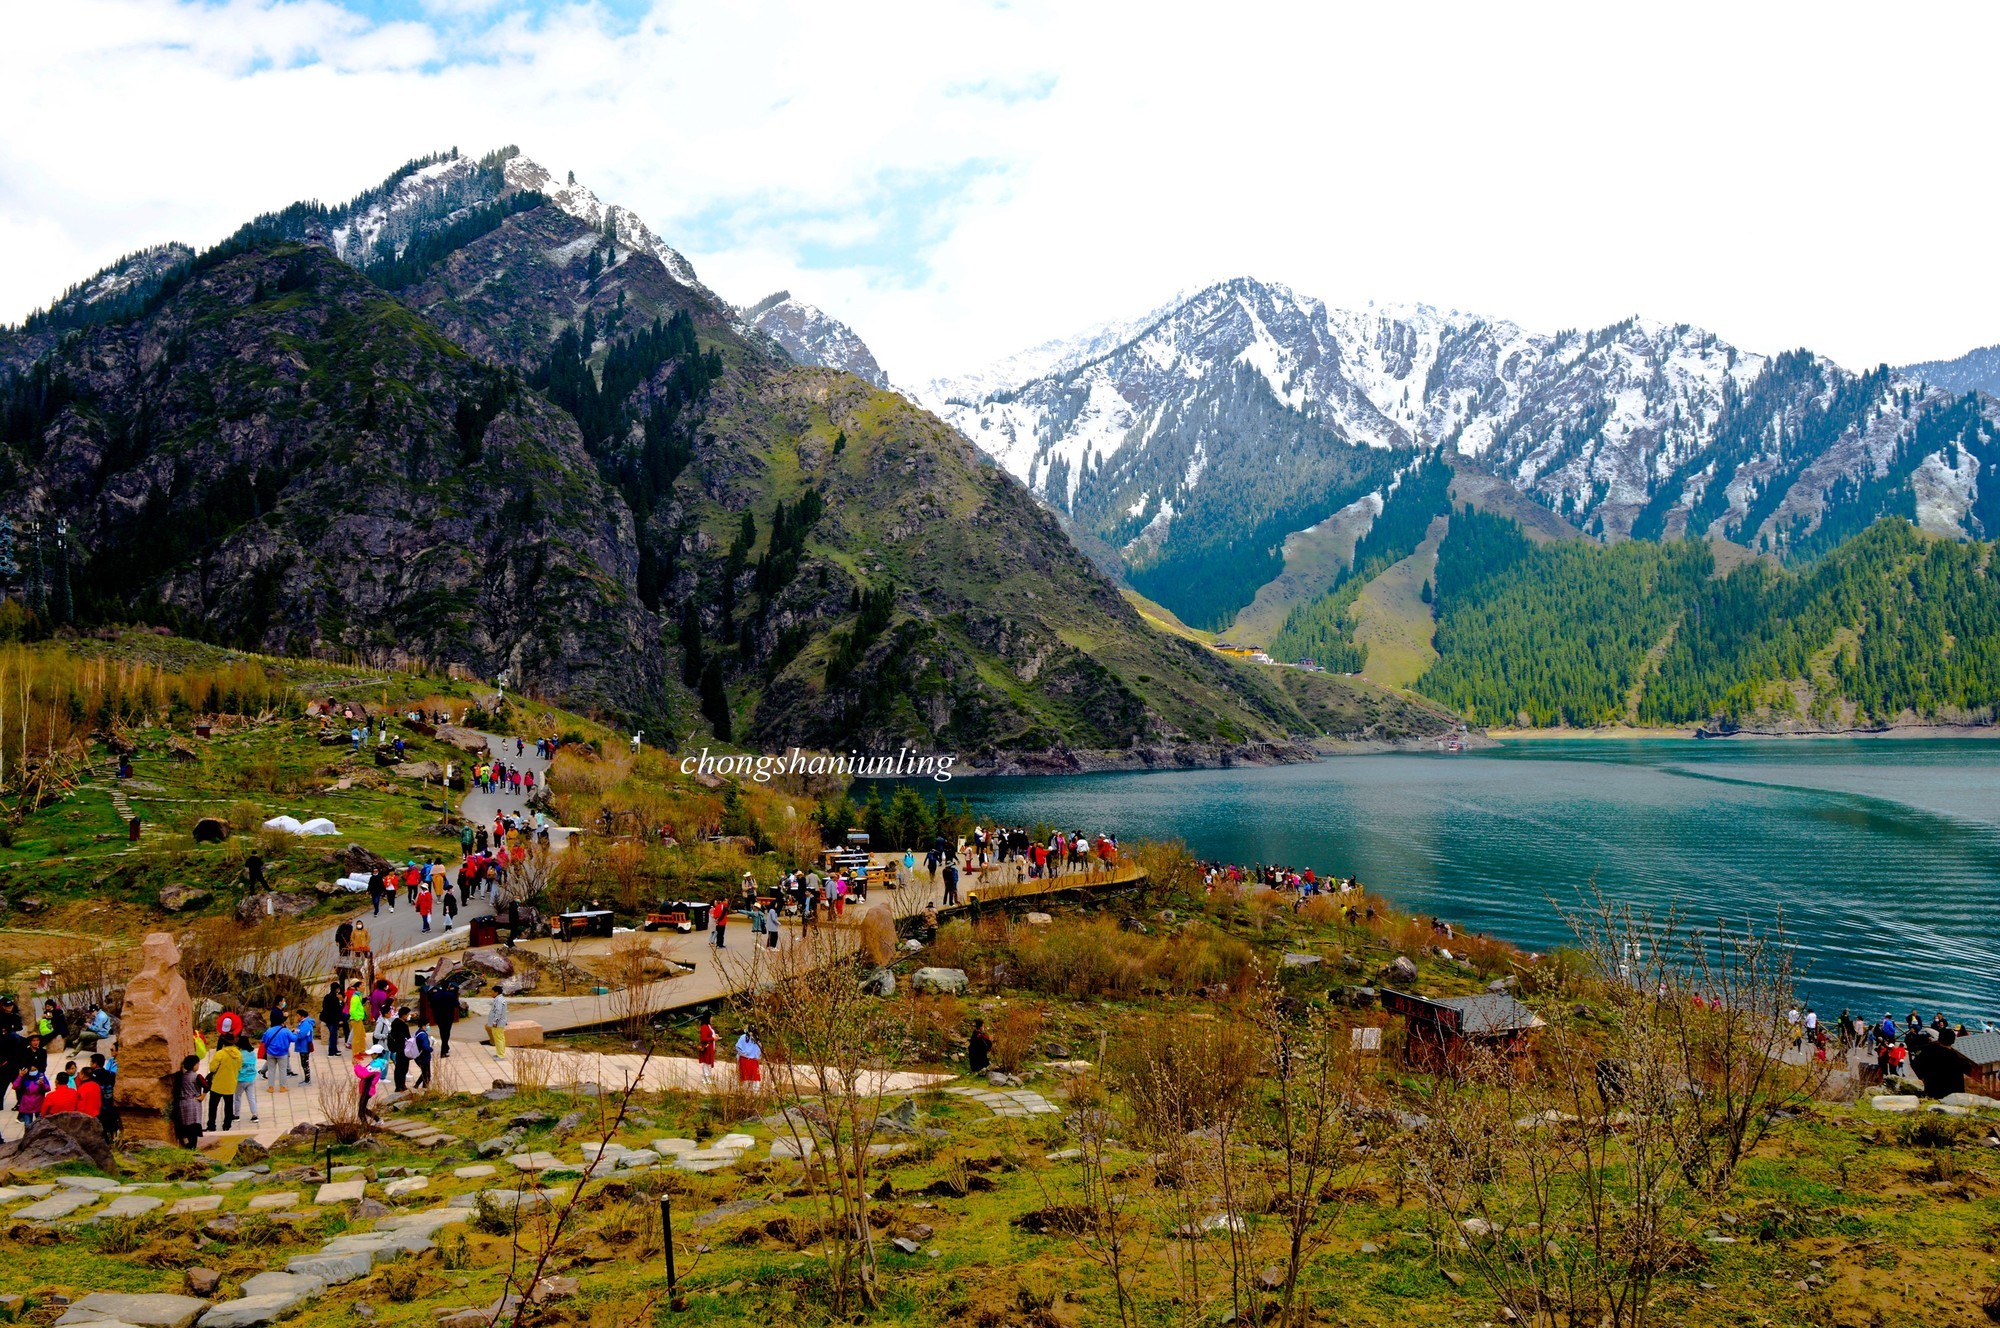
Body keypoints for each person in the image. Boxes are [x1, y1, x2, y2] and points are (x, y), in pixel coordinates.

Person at [1912, 1029, 1979, 1100]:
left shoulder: (1928, 1050)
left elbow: (1915, 1064)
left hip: (1931, 1089)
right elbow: (1966, 1072)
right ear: (1953, 1041)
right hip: (1951, 1093)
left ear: (1939, 1038)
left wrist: (1922, 1078)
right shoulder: (1957, 1058)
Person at [207, 1037, 242, 1131]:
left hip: (218, 1084)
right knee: (228, 1106)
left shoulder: (220, 1054)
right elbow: (239, 1067)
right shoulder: (238, 1054)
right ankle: (227, 1125)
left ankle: (211, 1125)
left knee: (213, 1106)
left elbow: (212, 1068)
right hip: (231, 1083)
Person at [172, 1055, 205, 1149]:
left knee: (186, 1125)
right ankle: (192, 1147)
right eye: (198, 1064)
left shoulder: (181, 1076)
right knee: (194, 1126)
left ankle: (188, 1145)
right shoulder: (197, 1076)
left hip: (182, 1103)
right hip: (193, 1103)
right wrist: (202, 1096)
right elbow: (206, 1086)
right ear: (194, 1065)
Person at [261, 1017, 294, 1094]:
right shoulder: (285, 1031)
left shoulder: (269, 1030)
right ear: (282, 1023)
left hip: (270, 1053)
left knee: (271, 1070)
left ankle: (271, 1087)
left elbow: (263, 1040)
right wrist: (295, 1033)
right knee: (282, 1070)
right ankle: (282, 1087)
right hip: (282, 1053)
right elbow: (294, 1038)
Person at [233, 1033, 261, 1123]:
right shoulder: (252, 1053)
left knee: (237, 1097)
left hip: (241, 1079)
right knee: (251, 1097)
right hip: (251, 1078)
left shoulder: (239, 1054)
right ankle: (254, 1115)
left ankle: (236, 1115)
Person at [389, 1007, 412, 1092]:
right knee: (403, 1068)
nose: (408, 1016)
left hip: (397, 1048)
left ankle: (400, 1085)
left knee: (399, 1067)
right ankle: (401, 1085)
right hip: (403, 1048)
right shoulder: (402, 1025)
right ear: (404, 1015)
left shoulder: (395, 1022)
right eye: (408, 1015)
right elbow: (407, 1037)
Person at [321, 983, 345, 1059]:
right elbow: (337, 1010)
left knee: (333, 1035)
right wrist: (340, 1019)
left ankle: (335, 1050)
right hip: (333, 1019)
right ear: (336, 989)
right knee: (333, 1036)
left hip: (327, 1019)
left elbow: (324, 1008)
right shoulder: (335, 998)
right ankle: (331, 1051)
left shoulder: (327, 997)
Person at [293, 1011, 316, 1086]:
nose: (297, 1017)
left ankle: (307, 1080)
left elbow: (301, 1035)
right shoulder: (303, 1023)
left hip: (304, 1046)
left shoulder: (305, 1024)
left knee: (305, 1063)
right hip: (303, 1046)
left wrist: (295, 1032)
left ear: (302, 1016)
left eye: (298, 1016)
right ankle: (307, 1079)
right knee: (304, 1063)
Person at [486, 991, 510, 1060]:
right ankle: (500, 1053)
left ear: (496, 992)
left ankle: (500, 1055)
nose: (491, 993)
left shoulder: (499, 1001)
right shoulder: (500, 999)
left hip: (498, 1023)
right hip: (500, 1022)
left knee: (498, 1038)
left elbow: (498, 1012)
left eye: (492, 992)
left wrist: (495, 1021)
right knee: (500, 1038)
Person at [412, 1025, 433, 1090]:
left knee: (425, 1073)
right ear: (423, 1026)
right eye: (427, 1025)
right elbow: (425, 1047)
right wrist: (431, 1049)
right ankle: (423, 1088)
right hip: (424, 1057)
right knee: (427, 1074)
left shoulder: (417, 1032)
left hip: (418, 1056)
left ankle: (419, 1086)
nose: (428, 1027)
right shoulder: (423, 1035)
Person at [698, 1018, 717, 1086]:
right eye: (711, 1017)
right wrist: (713, 1038)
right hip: (707, 1047)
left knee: (708, 1063)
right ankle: (707, 1079)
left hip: (711, 1047)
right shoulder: (704, 1027)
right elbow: (703, 1038)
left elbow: (710, 1035)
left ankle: (705, 1078)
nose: (712, 1019)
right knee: (707, 1063)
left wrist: (715, 1037)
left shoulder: (709, 1026)